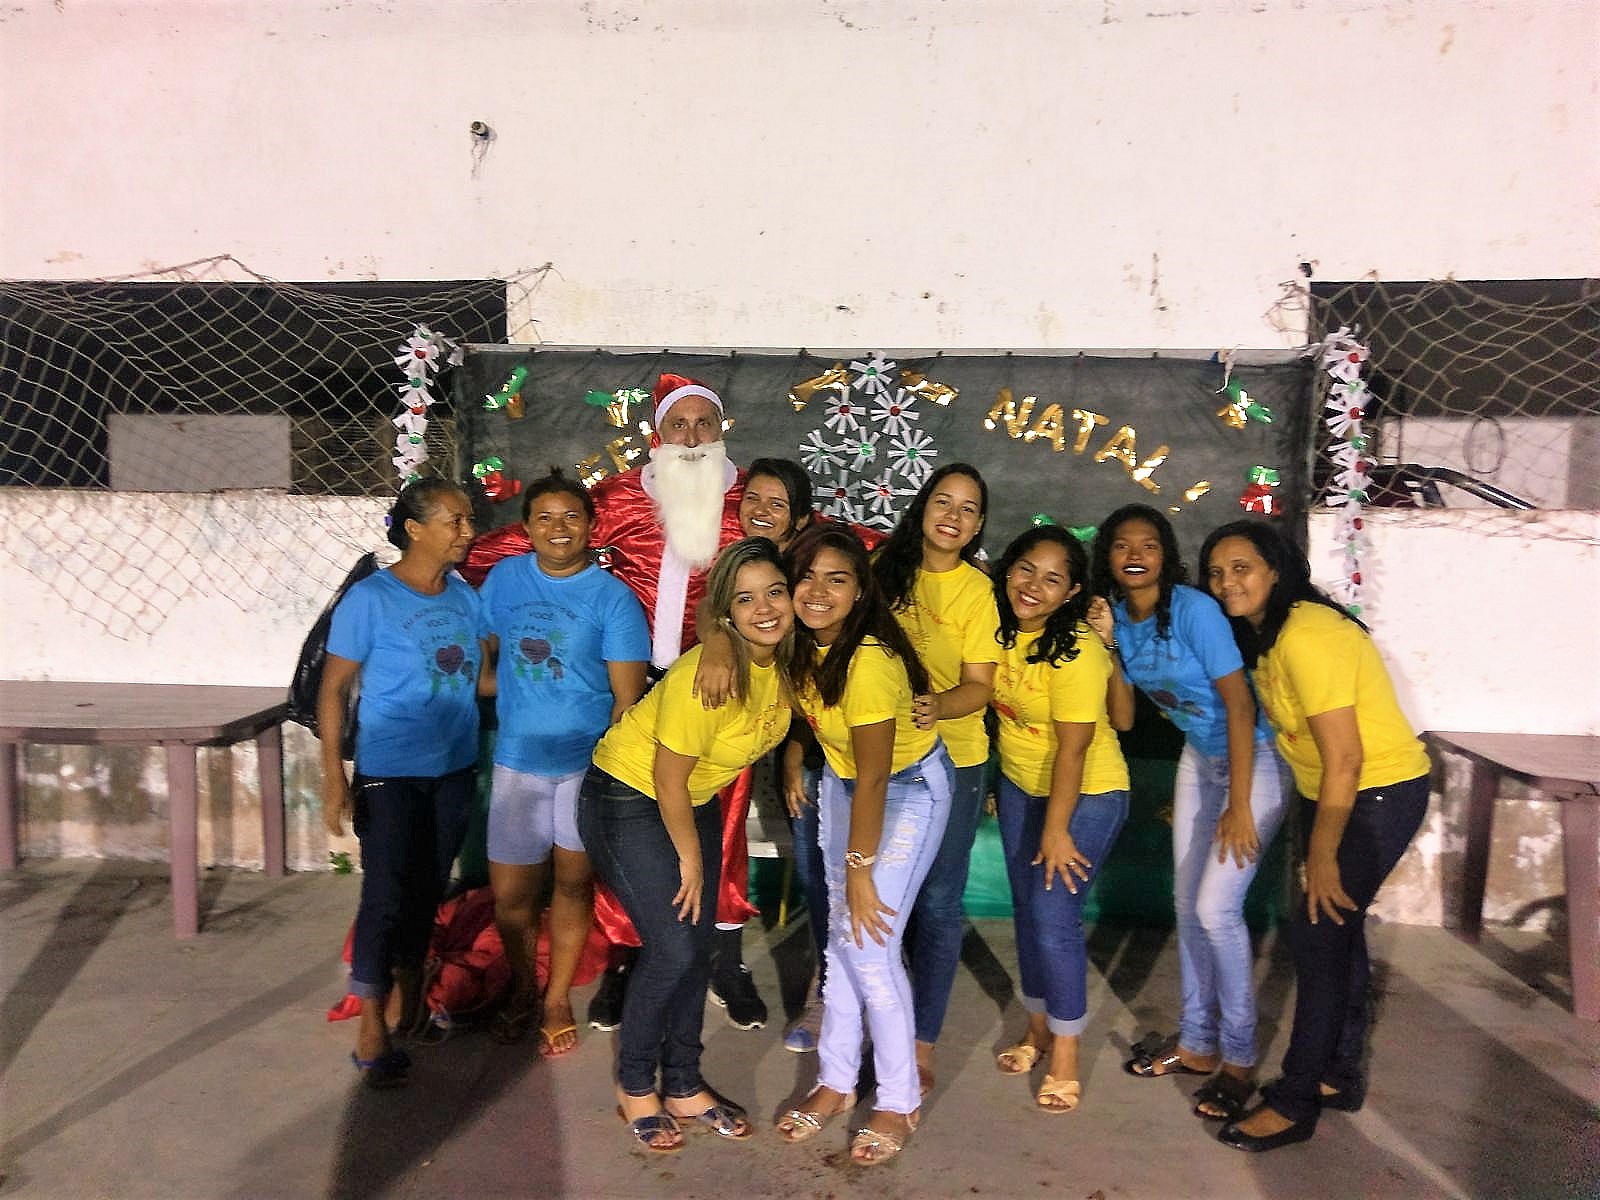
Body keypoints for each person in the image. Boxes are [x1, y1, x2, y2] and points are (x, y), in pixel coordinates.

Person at [461, 372, 766, 1032]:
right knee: (623, 827)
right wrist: (442, 557)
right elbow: (535, 536)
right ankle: (628, 956)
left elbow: (813, 544)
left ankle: (725, 958)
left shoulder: (748, 500)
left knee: (722, 824)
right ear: (659, 433)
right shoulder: (622, 497)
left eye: (703, 424)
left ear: (721, 430)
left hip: (718, 686)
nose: (691, 437)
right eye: (678, 424)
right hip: (632, 687)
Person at [1198, 519, 1430, 1152]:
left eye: (1241, 568)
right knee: (1335, 932)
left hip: (1376, 791)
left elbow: (1346, 758)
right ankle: (1338, 1073)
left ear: (1276, 570)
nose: (1227, 583)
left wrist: (1323, 853)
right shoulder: (1268, 635)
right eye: (1216, 573)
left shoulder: (1306, 635)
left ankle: (1296, 1100)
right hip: (1327, 791)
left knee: (1317, 932)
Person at [577, 537, 796, 1153]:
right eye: (744, 599)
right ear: (727, 612)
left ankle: (683, 1083)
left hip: (691, 801)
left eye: (775, 592)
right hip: (628, 795)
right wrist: (693, 861)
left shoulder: (783, 665)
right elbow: (667, 779)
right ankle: (634, 1084)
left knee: (698, 948)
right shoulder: (707, 676)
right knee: (673, 947)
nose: (764, 608)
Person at [1090, 505, 1289, 1122]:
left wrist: (1238, 803)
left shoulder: (1194, 609)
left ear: (1167, 555)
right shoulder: (1115, 616)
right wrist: (1110, 648)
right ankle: (1198, 1044)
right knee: (1186, 904)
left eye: (1148, 544)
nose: (1135, 555)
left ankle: (1239, 1057)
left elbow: (1239, 705)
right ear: (1107, 556)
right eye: (1122, 545)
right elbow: (1124, 717)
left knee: (1215, 909)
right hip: (1199, 758)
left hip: (1256, 757)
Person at [774, 527, 951, 1167]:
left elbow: (877, 773)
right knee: (841, 941)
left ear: (858, 593)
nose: (818, 592)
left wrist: (859, 867)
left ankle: (899, 1098)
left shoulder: (869, 661)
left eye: (837, 579)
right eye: (807, 577)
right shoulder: (800, 644)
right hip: (845, 783)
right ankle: (836, 1081)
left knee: (870, 946)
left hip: (904, 789)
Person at [318, 478, 485, 1088]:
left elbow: (476, 677)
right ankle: (370, 1022)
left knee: (428, 888)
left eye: (468, 520)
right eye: (454, 521)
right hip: (390, 771)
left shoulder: (464, 596)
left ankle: (409, 995)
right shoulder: (371, 599)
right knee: (385, 894)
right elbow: (332, 689)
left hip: (454, 769)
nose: (467, 532)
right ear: (414, 529)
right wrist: (333, 775)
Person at [477, 469, 649, 1055]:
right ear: (526, 527)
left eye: (571, 517)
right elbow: (481, 648)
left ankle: (554, 999)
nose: (558, 528)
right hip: (517, 761)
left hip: (584, 766)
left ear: (591, 527)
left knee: (573, 884)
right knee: (511, 897)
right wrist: (487, 683)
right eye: (545, 518)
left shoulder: (612, 599)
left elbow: (627, 700)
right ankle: (524, 988)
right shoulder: (505, 579)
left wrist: (610, 775)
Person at [987, 525, 1133, 1113]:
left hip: (1088, 791)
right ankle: (1037, 1028)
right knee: (1028, 913)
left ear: (1072, 592)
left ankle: (1066, 1053)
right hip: (1020, 784)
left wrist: (1056, 829)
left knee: (1053, 915)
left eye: (1052, 579)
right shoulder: (994, 629)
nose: (1033, 586)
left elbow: (1074, 749)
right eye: (1026, 569)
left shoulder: (1077, 648)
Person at [868, 463, 1000, 1094]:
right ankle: (871, 1022)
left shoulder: (978, 592)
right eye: (943, 502)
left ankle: (921, 1039)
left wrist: (935, 706)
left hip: (956, 758)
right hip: (879, 755)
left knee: (940, 901)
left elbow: (979, 687)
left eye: (967, 509)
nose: (953, 516)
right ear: (922, 508)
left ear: (977, 527)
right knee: (879, 897)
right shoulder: (882, 572)